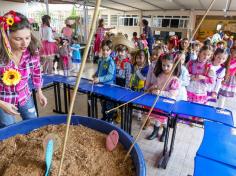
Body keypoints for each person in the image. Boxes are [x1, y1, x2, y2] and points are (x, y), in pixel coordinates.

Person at [0, 11, 47, 128]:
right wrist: (1, 104)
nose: (24, 43)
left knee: (33, 123)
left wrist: (39, 92)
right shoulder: (1, 56)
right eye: (18, 39)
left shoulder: (32, 51)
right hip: (3, 99)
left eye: (27, 37)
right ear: (6, 36)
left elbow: (37, 72)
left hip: (24, 95)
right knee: (8, 127)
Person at [147, 53, 181, 141]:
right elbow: (157, 84)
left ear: (173, 65)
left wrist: (159, 92)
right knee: (157, 118)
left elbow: (172, 94)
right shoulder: (161, 74)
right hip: (158, 100)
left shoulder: (174, 79)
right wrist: (152, 87)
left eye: (168, 66)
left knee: (164, 119)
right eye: (163, 65)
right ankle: (155, 131)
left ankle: (165, 132)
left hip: (167, 103)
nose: (165, 68)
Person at [93, 40, 116, 122]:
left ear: (110, 51)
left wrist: (99, 79)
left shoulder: (111, 62)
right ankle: (104, 116)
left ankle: (110, 118)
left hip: (109, 87)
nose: (105, 52)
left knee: (109, 104)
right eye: (103, 50)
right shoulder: (101, 60)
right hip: (101, 86)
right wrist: (95, 74)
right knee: (102, 102)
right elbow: (99, 70)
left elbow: (110, 76)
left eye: (107, 50)